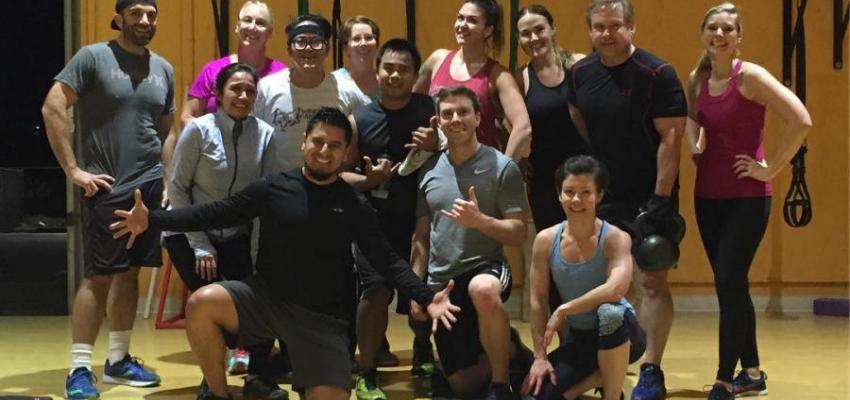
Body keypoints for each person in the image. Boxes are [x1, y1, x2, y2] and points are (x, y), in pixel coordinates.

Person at [110, 107, 460, 400]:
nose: (324, 151)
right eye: (318, 141)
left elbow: (386, 258)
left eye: (335, 146)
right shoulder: (273, 188)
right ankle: (218, 393)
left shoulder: (354, 205)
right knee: (202, 304)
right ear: (304, 141)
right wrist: (153, 219)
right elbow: (215, 213)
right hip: (265, 299)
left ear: (345, 153)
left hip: (321, 318)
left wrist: (426, 297)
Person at [40, 1, 175, 398]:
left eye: (151, 14)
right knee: (98, 277)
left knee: (131, 273)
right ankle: (80, 369)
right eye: (136, 13)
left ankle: (118, 360)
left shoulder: (163, 68)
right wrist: (73, 170)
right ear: (119, 18)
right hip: (107, 187)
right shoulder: (92, 58)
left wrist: (167, 178)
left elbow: (167, 128)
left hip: (149, 188)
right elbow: (52, 107)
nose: (145, 21)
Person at [684, 3, 811, 399]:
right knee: (732, 285)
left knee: (729, 281)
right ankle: (752, 372)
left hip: (747, 198)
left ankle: (724, 378)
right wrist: (695, 145)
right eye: (713, 28)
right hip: (707, 196)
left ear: (738, 37)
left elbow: (801, 120)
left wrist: (770, 168)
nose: (719, 35)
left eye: (728, 29)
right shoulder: (697, 78)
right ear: (703, 33)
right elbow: (692, 120)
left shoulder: (750, 76)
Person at [567, 2, 687, 399]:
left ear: (631, 27)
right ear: (590, 30)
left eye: (615, 26)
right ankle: (607, 367)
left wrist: (661, 199)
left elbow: (671, 139)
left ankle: (651, 369)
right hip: (604, 195)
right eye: (598, 27)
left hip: (649, 195)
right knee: (605, 282)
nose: (606, 34)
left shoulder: (657, 74)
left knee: (651, 279)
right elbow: (578, 116)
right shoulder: (581, 73)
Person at [164, 63, 286, 399]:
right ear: (218, 94)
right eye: (235, 89)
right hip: (189, 235)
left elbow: (265, 198)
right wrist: (200, 245)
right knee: (211, 308)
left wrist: (261, 253)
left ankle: (258, 378)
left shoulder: (265, 134)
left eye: (250, 90)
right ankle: (213, 382)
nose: (243, 96)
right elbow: (178, 188)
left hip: (238, 234)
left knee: (259, 300)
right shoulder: (198, 130)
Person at [412, 85, 531, 399]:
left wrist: (481, 221)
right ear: (438, 121)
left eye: (463, 112)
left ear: (478, 117)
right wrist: (416, 288)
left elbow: (519, 233)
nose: (455, 119)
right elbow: (421, 237)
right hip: (443, 282)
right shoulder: (427, 171)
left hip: (486, 268)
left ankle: (500, 384)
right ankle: (511, 349)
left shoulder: (503, 167)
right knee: (462, 386)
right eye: (447, 113)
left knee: (483, 289)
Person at [339, 38, 439, 400]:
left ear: (415, 75)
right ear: (378, 71)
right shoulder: (359, 119)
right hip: (374, 226)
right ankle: (366, 372)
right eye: (389, 68)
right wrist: (368, 181)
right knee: (376, 292)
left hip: (423, 223)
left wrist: (437, 144)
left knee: (420, 292)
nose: (396, 75)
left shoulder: (432, 111)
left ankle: (423, 349)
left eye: (404, 69)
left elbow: (458, 152)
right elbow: (340, 173)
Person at [522, 155, 646, 400]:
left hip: (622, 335)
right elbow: (538, 300)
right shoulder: (545, 240)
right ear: (559, 195)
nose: (576, 200)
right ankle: (600, 377)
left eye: (585, 192)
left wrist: (564, 309)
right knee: (534, 395)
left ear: (599, 195)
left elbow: (615, 290)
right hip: (581, 340)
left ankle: (612, 395)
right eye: (569, 192)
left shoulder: (616, 238)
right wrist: (540, 357)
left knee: (610, 312)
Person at [414, 0, 531, 158]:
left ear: (488, 30)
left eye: (472, 20)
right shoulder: (437, 60)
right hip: (437, 164)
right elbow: (411, 104)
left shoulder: (499, 76)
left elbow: (523, 127)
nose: (462, 25)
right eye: (460, 18)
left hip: (479, 167)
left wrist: (505, 168)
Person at [253, 13, 364, 172]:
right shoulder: (266, 88)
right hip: (278, 184)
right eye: (301, 42)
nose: (308, 48)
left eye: (316, 42)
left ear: (327, 49)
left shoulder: (348, 90)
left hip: (329, 183)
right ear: (289, 49)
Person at [514, 4, 589, 232]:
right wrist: (519, 160)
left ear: (553, 29)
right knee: (553, 245)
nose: (533, 38)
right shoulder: (520, 78)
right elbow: (507, 121)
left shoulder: (581, 65)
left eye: (539, 30)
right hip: (545, 181)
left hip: (586, 174)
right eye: (526, 33)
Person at [180, 1, 286, 126]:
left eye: (260, 23)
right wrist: (214, 134)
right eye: (247, 20)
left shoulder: (281, 74)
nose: (252, 27)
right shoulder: (213, 70)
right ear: (237, 26)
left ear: (270, 32)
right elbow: (187, 117)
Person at [332, 16, 380, 106]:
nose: (363, 43)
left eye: (368, 38)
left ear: (377, 44)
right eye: (356, 39)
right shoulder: (334, 83)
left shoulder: (386, 81)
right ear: (345, 48)